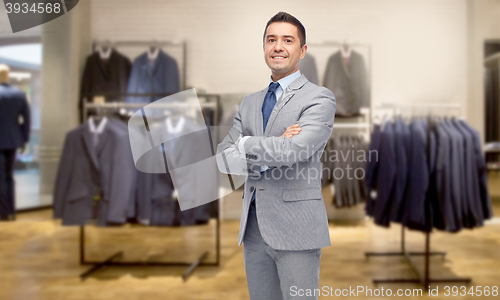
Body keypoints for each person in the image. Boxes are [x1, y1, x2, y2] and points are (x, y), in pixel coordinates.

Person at [216, 12, 336, 300]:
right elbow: (222, 158)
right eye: (271, 40)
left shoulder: (319, 98)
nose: (278, 46)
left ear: (302, 50)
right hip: (254, 230)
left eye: (287, 40)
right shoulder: (249, 103)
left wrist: (244, 144)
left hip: (297, 228)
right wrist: (272, 147)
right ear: (264, 48)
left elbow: (296, 150)